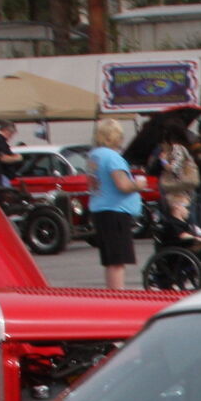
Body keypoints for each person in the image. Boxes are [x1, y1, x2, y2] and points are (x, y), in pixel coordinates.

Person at [86, 118, 143, 290]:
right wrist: (139, 185)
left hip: (100, 208)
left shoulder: (94, 156)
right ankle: (118, 294)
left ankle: (112, 292)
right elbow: (123, 185)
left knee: (110, 260)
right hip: (115, 210)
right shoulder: (112, 157)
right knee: (118, 260)